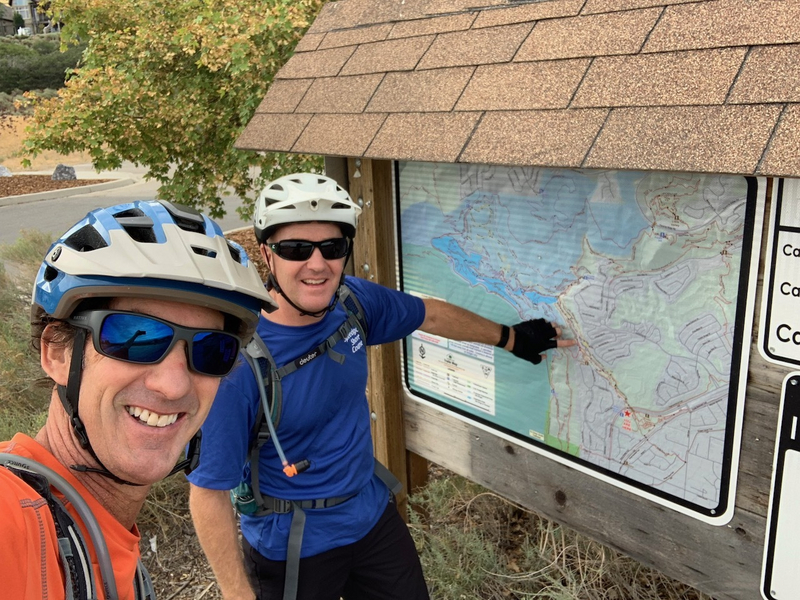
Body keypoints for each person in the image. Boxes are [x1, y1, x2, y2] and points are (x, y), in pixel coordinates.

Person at [187, 173, 577, 600]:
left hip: (371, 520)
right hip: (292, 546)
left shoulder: (352, 304)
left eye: (332, 248)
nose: (317, 264)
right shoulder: (239, 364)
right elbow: (208, 493)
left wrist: (513, 338)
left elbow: (430, 314)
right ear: (267, 254)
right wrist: (236, 593)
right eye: (297, 249)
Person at [0, 199, 277, 600]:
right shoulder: (14, 518)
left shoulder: (106, 540)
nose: (175, 385)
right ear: (58, 353)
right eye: (135, 337)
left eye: (211, 349)